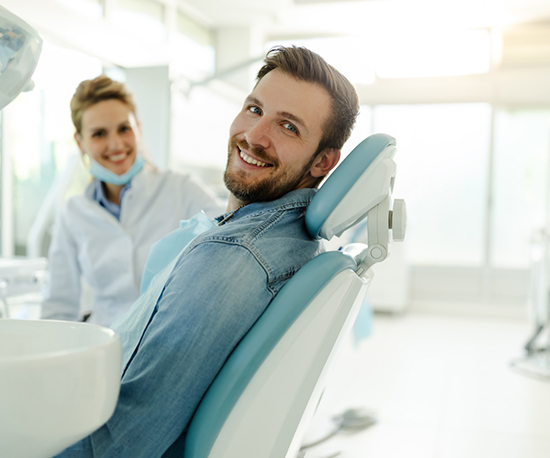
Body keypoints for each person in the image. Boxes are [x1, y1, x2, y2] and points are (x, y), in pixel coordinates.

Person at [55, 45, 359, 457]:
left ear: (324, 161)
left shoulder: (234, 253)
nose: (254, 136)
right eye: (254, 109)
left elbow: (121, 442)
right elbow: (60, 304)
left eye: (288, 126)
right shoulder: (273, 239)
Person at [41, 75, 224, 327]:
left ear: (138, 127)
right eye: (99, 134)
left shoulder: (182, 189)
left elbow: (230, 235)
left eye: (123, 128)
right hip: (103, 345)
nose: (115, 144)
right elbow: (58, 307)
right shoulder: (73, 213)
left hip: (167, 334)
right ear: (80, 141)